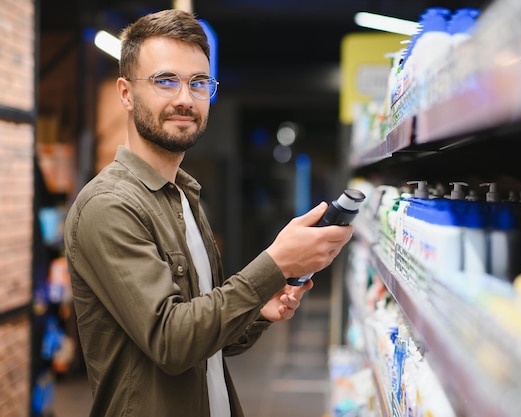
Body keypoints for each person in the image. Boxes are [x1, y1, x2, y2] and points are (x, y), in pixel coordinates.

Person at [63, 9, 353, 417]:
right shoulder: (109, 205)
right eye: (165, 81)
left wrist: (258, 310)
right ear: (126, 93)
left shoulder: (183, 195)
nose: (185, 98)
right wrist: (274, 263)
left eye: (199, 83)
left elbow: (208, 337)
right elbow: (173, 342)